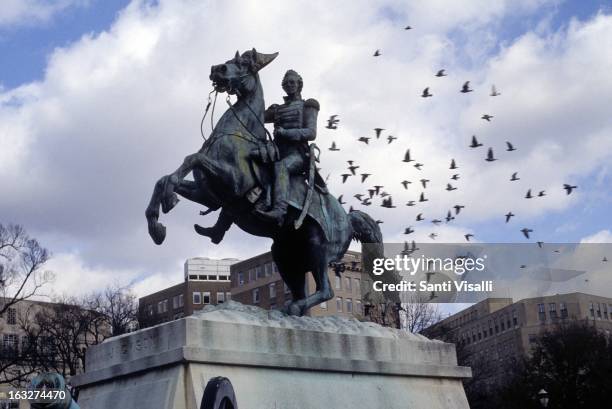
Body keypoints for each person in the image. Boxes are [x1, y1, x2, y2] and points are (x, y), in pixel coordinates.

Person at [256, 69, 324, 225]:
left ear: (299, 84)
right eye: (286, 83)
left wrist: (285, 133)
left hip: (298, 155)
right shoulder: (277, 109)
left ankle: (280, 209)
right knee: (249, 158)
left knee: (281, 167)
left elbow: (311, 132)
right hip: (277, 151)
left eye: (292, 82)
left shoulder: (308, 105)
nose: (289, 85)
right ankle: (221, 225)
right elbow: (256, 115)